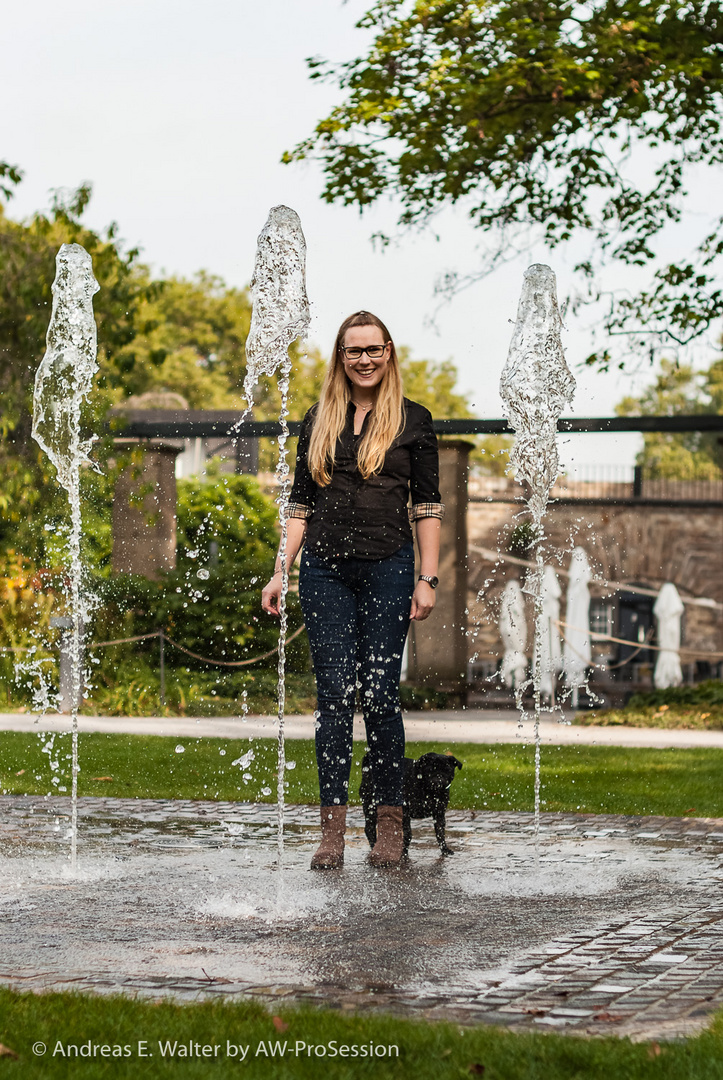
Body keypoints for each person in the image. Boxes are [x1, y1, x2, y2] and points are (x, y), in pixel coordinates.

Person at [261, 311, 443, 869]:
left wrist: (427, 577)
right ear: (340, 357)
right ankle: (332, 829)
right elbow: (299, 504)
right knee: (335, 700)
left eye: (373, 349)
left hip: (389, 567)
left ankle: (389, 823)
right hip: (324, 572)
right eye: (351, 350)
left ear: (389, 352)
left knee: (381, 697)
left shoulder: (414, 420)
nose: (363, 359)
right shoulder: (319, 418)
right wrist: (280, 568)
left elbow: (428, 507)